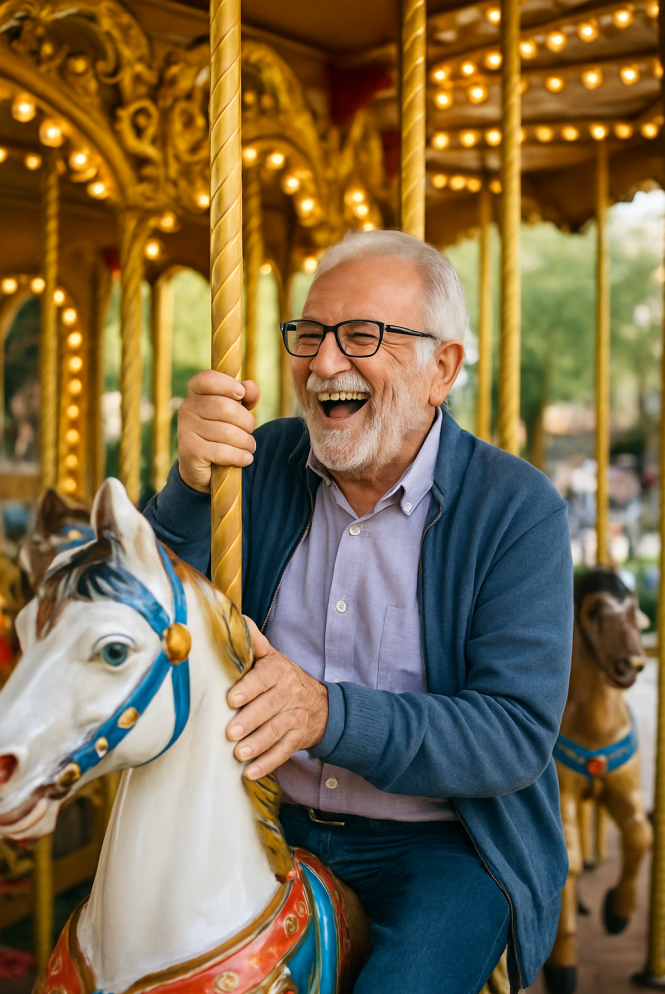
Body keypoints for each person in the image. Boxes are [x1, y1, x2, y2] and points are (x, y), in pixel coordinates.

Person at [144, 229, 573, 994]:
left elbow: (512, 734)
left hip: (440, 845)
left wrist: (326, 715)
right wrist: (188, 484)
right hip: (261, 815)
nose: (324, 363)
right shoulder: (261, 461)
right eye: (309, 335)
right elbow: (151, 611)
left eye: (361, 336)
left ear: (441, 368)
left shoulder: (514, 510)